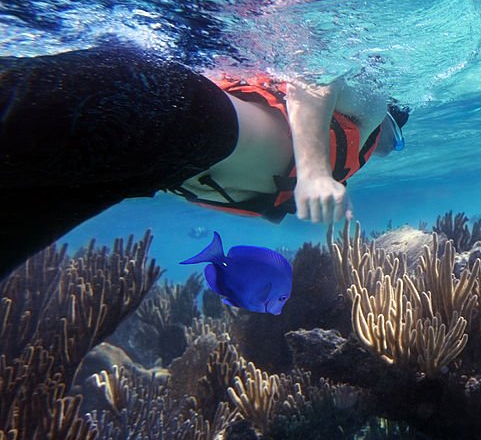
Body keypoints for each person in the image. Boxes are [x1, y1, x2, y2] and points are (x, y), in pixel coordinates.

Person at [0, 44, 408, 279]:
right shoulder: (371, 113)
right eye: (396, 139)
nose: (389, 148)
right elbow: (317, 76)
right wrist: (315, 172)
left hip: (149, 169)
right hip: (170, 110)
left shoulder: (346, 159)